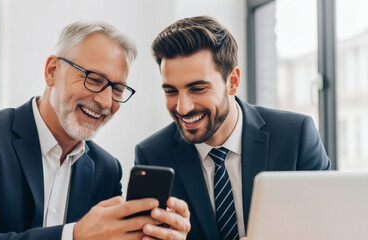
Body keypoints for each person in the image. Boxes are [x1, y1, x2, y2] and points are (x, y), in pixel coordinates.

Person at [0, 20, 190, 240]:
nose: (105, 101)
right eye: (94, 79)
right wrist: (73, 235)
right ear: (52, 71)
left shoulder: (106, 169)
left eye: (118, 89)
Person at [135, 16, 330, 240]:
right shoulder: (152, 156)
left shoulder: (296, 136)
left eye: (197, 88)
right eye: (170, 91)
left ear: (233, 81)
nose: (182, 107)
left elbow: (329, 229)